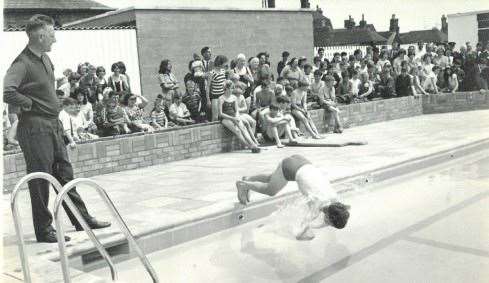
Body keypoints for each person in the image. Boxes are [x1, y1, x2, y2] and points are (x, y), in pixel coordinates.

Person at [3, 15, 110, 243]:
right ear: (40, 35)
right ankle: (44, 230)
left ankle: (81, 219)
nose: (55, 39)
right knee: (41, 178)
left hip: (52, 124)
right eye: (52, 34)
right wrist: (30, 104)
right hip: (35, 127)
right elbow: (8, 92)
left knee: (64, 173)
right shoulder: (21, 63)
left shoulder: (45, 60)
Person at [236, 154, 351, 240]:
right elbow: (300, 232)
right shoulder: (317, 206)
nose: (329, 225)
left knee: (273, 179)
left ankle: (248, 179)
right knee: (270, 190)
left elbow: (346, 207)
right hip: (291, 168)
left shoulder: (335, 199)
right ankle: (243, 185)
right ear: (329, 218)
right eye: (330, 224)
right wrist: (307, 235)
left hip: (303, 162)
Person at [219, 80, 260, 153]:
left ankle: (253, 144)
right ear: (226, 89)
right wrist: (232, 118)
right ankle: (250, 146)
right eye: (231, 88)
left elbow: (236, 110)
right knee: (237, 131)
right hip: (225, 118)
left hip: (234, 116)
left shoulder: (234, 97)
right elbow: (221, 114)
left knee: (243, 128)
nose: (232, 90)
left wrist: (237, 117)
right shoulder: (221, 98)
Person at [207, 55, 228, 121]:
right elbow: (208, 87)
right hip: (215, 97)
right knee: (215, 117)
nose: (226, 64)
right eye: (224, 62)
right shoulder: (212, 73)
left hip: (223, 96)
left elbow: (224, 83)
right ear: (220, 63)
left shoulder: (223, 71)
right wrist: (208, 100)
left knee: (223, 115)